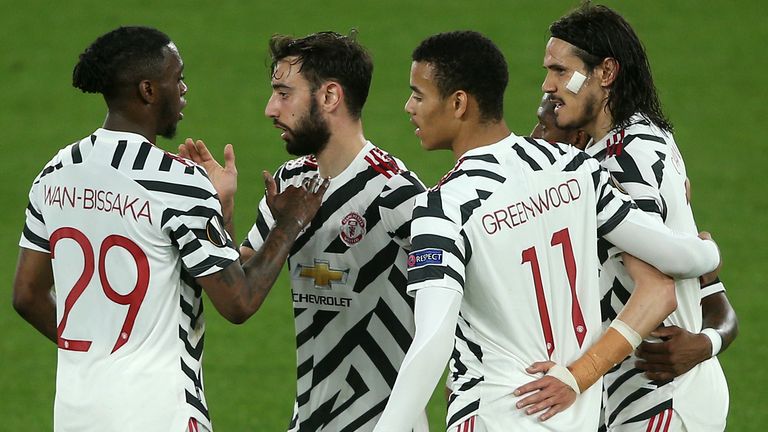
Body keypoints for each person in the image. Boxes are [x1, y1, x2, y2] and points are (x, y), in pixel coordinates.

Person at [371, 30, 720, 432]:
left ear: (459, 102)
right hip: (575, 414)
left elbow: (432, 341)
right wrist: (708, 253)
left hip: (494, 413)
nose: (408, 107)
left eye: (418, 94)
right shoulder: (575, 169)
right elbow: (677, 257)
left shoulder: (445, 206)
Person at [12, 26, 327, 432]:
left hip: (75, 411)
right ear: (147, 90)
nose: (184, 89)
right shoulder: (176, 181)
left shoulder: (55, 172)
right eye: (176, 78)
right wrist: (290, 222)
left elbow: (27, 295)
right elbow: (239, 301)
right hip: (160, 411)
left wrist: (100, 353)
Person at [536, 3, 732, 430]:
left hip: (657, 394)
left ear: (606, 73)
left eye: (559, 70)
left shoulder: (624, 159)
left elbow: (656, 284)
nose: (548, 85)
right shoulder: (641, 136)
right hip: (647, 392)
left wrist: (576, 376)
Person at [228, 31, 426, 432]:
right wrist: (225, 208)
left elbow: (454, 311)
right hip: (309, 421)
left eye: (284, 94)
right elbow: (241, 284)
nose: (270, 108)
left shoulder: (397, 194)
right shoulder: (291, 181)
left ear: (330, 97)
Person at [531, 94, 739, 385]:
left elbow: (716, 304)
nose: (533, 138)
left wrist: (705, 344)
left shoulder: (618, 206)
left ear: (578, 137)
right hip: (600, 395)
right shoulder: (546, 207)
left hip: (650, 391)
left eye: (543, 127)